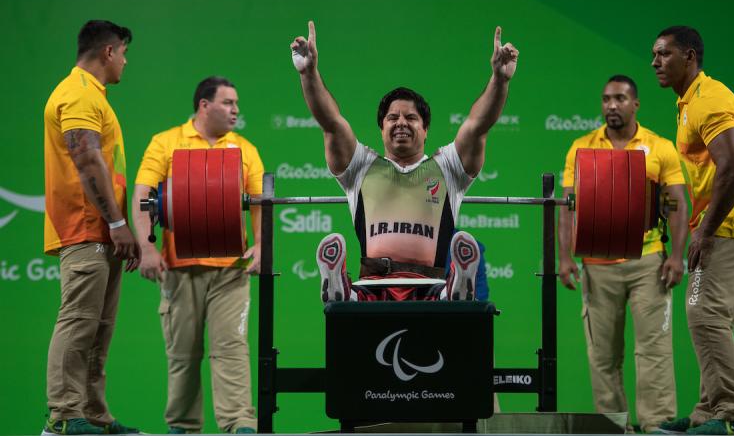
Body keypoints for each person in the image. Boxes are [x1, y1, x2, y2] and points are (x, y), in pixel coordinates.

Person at [290, 21, 518, 302]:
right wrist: (309, 73)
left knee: (442, 298)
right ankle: (341, 291)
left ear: (425, 130)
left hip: (429, 284)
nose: (401, 123)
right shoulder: (360, 167)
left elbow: (477, 125)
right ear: (381, 128)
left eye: (411, 118)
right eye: (392, 117)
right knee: (359, 301)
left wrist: (500, 79)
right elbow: (331, 123)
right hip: (374, 283)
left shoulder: (448, 167)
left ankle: (456, 288)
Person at [651, 26, 734, 436]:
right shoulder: (688, 103)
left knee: (704, 313)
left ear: (689, 56)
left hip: (732, 222)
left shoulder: (710, 101)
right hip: (722, 220)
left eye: (664, 54)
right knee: (715, 315)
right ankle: (708, 412)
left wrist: (705, 231)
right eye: (654, 55)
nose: (655, 62)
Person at [131, 77, 263, 434]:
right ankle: (183, 429)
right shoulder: (165, 142)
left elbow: (260, 203)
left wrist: (262, 245)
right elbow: (143, 194)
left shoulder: (245, 149)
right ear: (204, 105)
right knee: (183, 356)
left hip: (230, 272)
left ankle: (240, 426)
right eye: (228, 103)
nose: (236, 110)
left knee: (231, 350)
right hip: (180, 270)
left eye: (237, 104)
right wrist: (146, 247)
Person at [558, 75, 688, 433]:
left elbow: (677, 204)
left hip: (648, 262)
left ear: (635, 104)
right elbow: (567, 206)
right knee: (602, 356)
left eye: (619, 98)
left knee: (654, 351)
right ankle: (614, 427)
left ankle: (657, 425)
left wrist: (677, 256)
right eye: (605, 99)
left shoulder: (659, 147)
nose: (611, 106)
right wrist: (565, 257)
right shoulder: (581, 148)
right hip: (597, 264)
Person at [42, 20, 141, 436]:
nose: (124, 62)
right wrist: (118, 222)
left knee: (98, 329)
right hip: (86, 228)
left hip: (102, 233)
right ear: (108, 52)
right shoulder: (78, 93)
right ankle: (63, 416)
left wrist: (118, 227)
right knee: (79, 321)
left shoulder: (93, 95)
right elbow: (85, 158)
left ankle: (93, 414)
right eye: (123, 54)